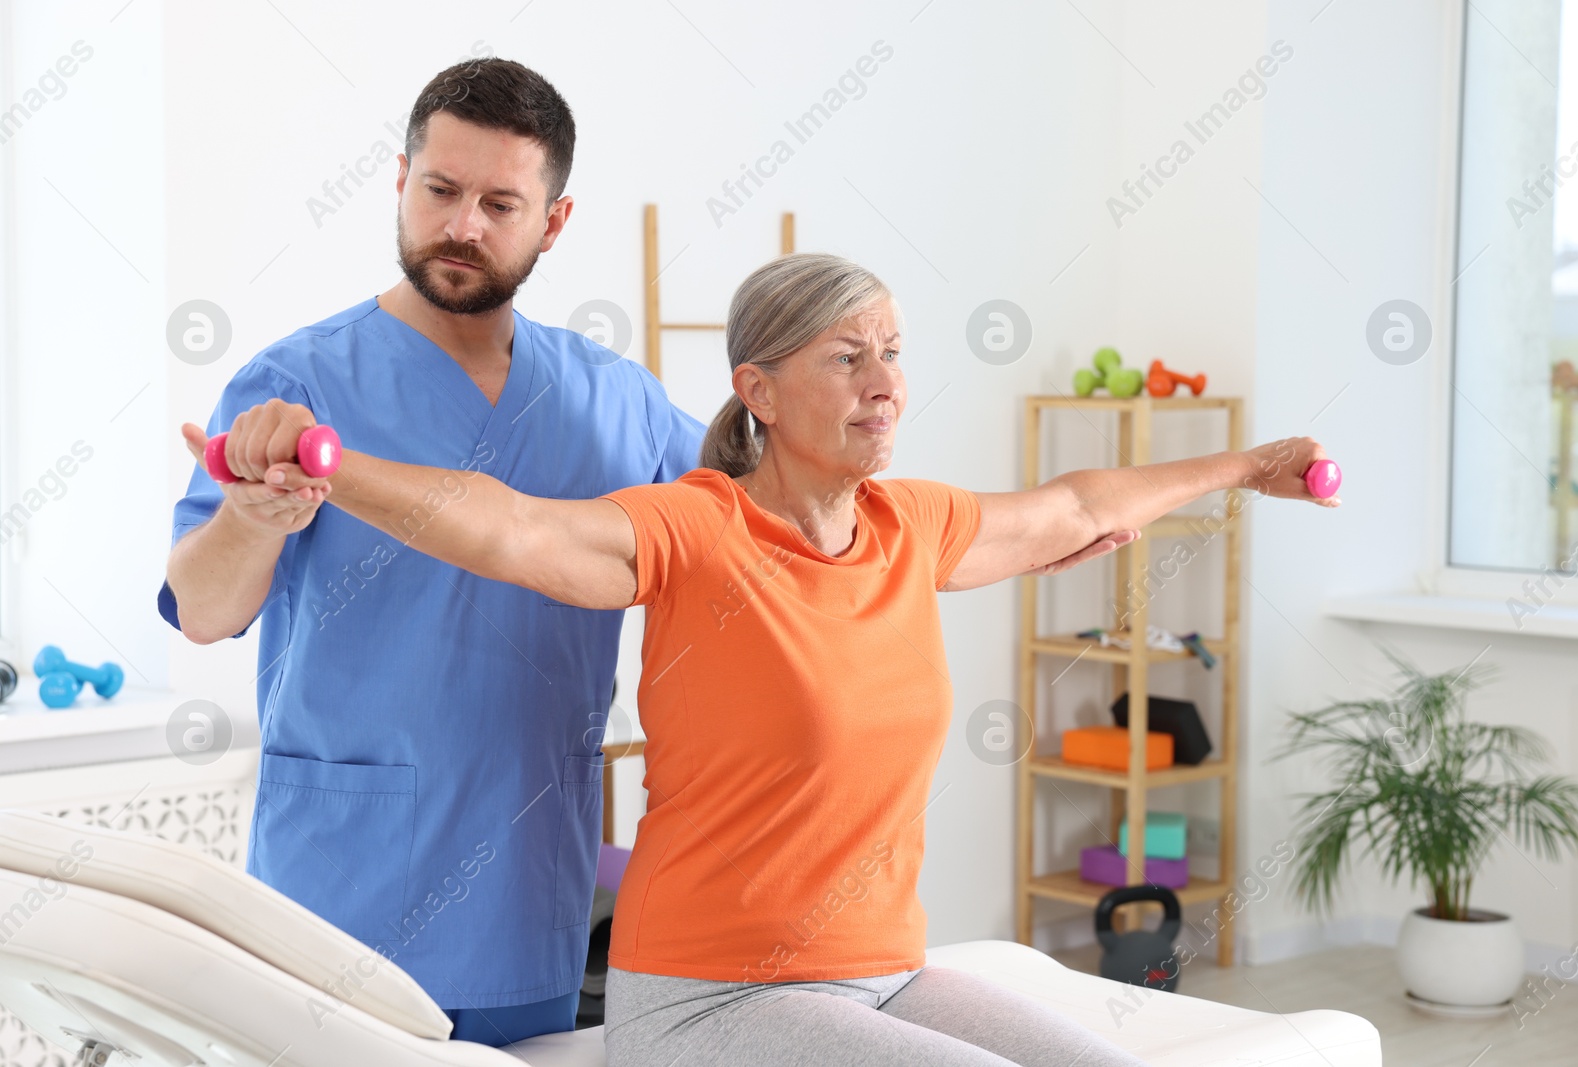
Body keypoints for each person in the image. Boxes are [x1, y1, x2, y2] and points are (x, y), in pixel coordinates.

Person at [184, 253, 1337, 1065]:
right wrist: (331, 474)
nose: (885, 381)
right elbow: (513, 525)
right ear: (760, 391)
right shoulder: (695, 531)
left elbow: (1076, 500)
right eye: (847, 357)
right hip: (710, 998)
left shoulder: (909, 525)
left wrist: (1240, 469)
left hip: (881, 968)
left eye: (891, 350)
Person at [160, 58, 706, 1046]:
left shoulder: (618, 402)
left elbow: (752, 522)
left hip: (523, 892)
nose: (462, 225)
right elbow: (203, 608)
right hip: (337, 894)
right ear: (400, 182)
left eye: (501, 202)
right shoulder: (295, 382)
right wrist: (251, 519)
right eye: (440, 190)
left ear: (554, 221)